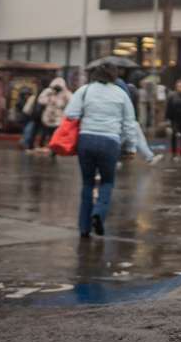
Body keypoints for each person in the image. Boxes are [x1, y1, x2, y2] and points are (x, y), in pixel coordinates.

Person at [64, 62, 138, 238]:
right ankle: (99, 213)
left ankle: (84, 227)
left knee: (88, 183)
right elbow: (129, 124)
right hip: (110, 142)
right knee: (107, 181)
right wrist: (130, 147)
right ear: (114, 76)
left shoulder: (85, 90)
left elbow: (71, 114)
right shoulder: (121, 94)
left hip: (86, 140)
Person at [36, 77, 71, 150]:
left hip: (59, 117)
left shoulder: (66, 93)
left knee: (55, 134)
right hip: (47, 116)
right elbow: (41, 101)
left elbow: (71, 102)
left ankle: (53, 149)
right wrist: (48, 98)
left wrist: (63, 104)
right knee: (45, 133)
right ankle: (42, 146)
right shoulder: (48, 91)